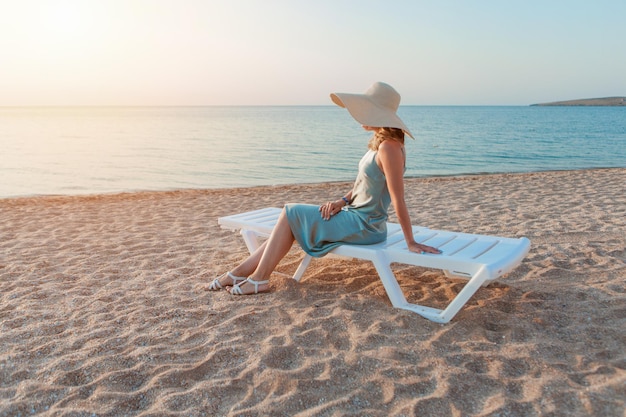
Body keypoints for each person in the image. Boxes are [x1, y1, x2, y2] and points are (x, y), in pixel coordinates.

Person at [207, 82, 441, 295]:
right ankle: (238, 273)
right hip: (353, 216)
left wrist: (410, 241)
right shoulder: (381, 142)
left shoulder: (389, 148)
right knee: (290, 221)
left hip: (365, 226)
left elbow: (398, 198)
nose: (357, 115)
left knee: (291, 212)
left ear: (379, 113)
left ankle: (258, 278)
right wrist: (342, 201)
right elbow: (367, 186)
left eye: (365, 109)